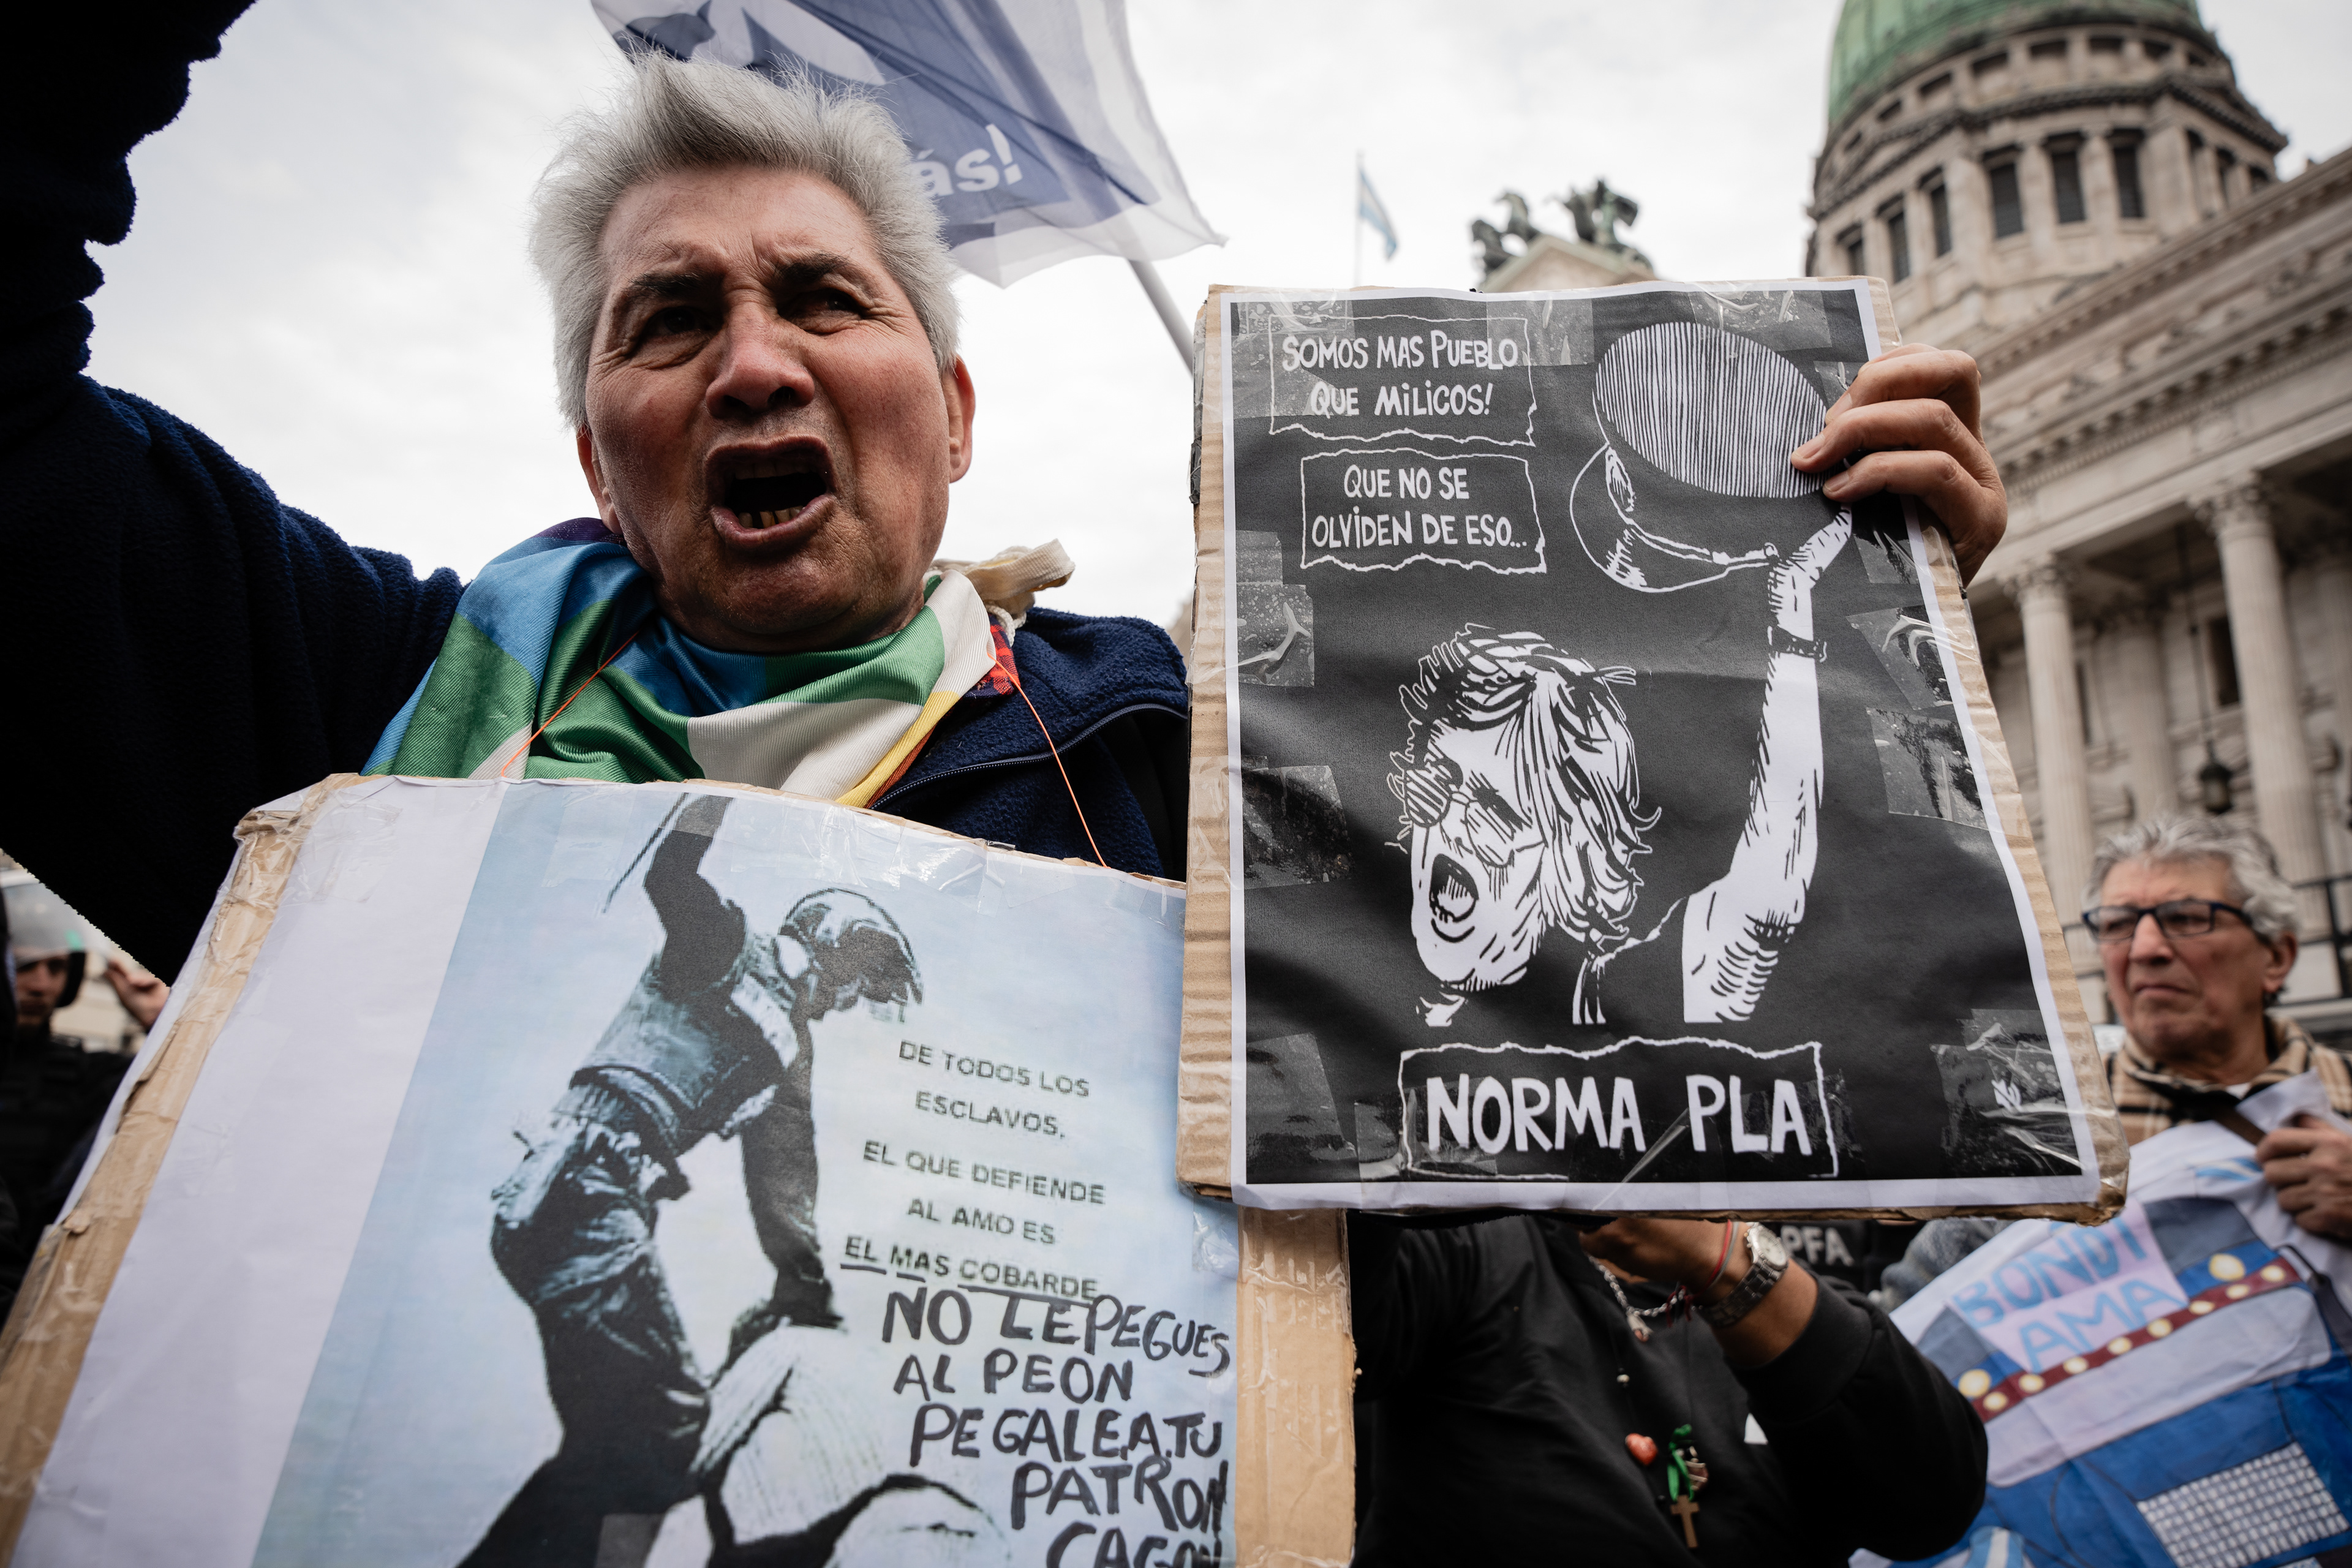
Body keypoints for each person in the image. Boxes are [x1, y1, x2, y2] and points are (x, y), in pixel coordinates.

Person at [3, 8, 1188, 993]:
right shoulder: (369, 706)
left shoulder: (1168, 752)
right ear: (599, 476)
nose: (757, 367)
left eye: (825, 297)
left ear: (955, 416)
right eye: (669, 321)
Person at [469, 792, 922, 1564]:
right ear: (835, 949)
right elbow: (671, 880)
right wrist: (707, 801)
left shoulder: (792, 1050)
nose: (850, 1004)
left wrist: (802, 1292)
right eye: (857, 984)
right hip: (579, 1187)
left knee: (627, 1433)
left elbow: (783, 1178)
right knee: (663, 1414)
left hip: (602, 1205)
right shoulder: (728, 943)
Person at [2087, 814, 2352, 1240]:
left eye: (2187, 918)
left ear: (2276, 957)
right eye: (2117, 924)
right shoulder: (2047, 1125)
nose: (2144, 949)